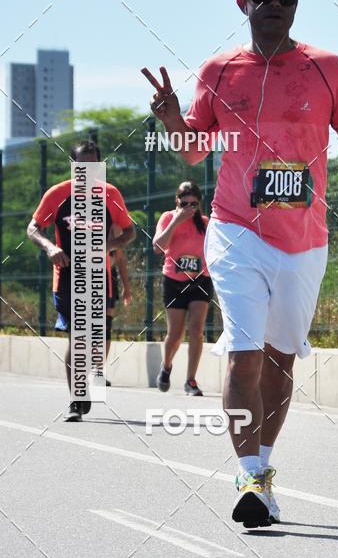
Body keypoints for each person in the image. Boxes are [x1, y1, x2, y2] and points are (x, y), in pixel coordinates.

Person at [142, 0, 338, 528]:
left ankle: (265, 465)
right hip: (236, 232)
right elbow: (192, 150)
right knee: (244, 350)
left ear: (295, 5)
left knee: (281, 361)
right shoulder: (221, 70)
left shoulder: (327, 67)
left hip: (304, 242)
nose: (276, 1)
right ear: (244, 4)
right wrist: (173, 119)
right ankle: (249, 476)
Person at [27, 140, 136, 421]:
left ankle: (86, 379)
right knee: (78, 338)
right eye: (82, 166)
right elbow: (33, 228)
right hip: (67, 278)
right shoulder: (58, 195)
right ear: (73, 167)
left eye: (93, 165)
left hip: (99, 276)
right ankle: (77, 397)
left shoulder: (110, 194)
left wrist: (108, 243)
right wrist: (50, 248)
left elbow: (129, 232)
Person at [153, 181, 212, 396]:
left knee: (197, 330)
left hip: (200, 281)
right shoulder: (168, 218)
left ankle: (191, 380)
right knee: (175, 334)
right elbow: (158, 247)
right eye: (184, 203)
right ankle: (166, 366)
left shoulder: (205, 223)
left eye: (193, 204)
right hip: (174, 280)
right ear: (177, 201)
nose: (189, 208)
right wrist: (177, 220)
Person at [105, 244, 133, 385]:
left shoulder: (114, 225)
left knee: (105, 327)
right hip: (84, 276)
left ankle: (98, 370)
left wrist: (126, 287)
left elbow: (120, 259)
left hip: (108, 277)